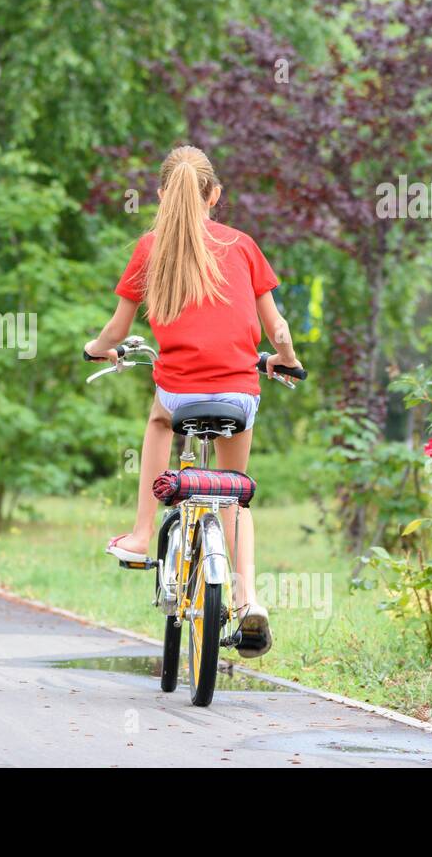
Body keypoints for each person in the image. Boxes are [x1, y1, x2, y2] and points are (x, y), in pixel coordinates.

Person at [83, 145, 300, 658]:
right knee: (234, 494)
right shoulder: (243, 246)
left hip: (179, 393)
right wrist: (284, 358)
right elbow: (279, 329)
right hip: (239, 391)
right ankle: (248, 600)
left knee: (159, 421)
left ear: (161, 194)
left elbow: (118, 328)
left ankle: (141, 534)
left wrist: (97, 349)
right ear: (215, 195)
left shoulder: (150, 248)